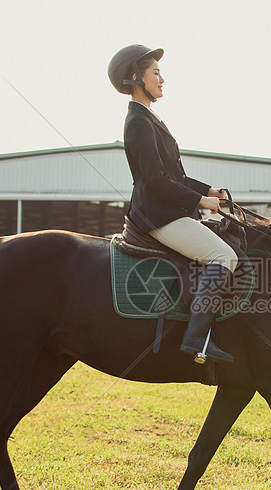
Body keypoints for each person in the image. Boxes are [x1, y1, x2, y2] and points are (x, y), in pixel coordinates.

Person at [108, 44, 238, 364]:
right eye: (156, 73)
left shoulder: (149, 118)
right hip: (158, 217)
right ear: (136, 78)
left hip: (167, 211)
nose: (162, 79)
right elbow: (155, 181)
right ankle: (195, 339)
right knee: (224, 256)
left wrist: (209, 189)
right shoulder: (138, 121)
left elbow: (173, 176)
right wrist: (200, 200)